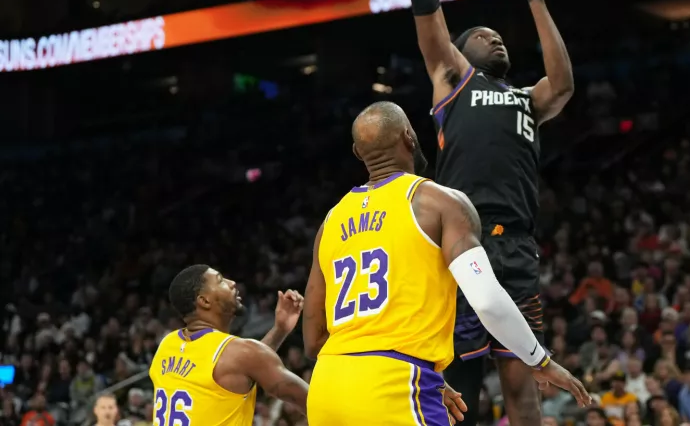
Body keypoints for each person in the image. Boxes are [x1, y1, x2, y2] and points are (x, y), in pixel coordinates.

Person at [389, 0, 575, 423]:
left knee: (523, 386)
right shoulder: (452, 80)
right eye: (479, 36)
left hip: (516, 248)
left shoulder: (526, 99)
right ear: (459, 51)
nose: (493, 36)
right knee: (460, 385)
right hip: (459, 244)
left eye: (497, 35)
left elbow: (562, 83)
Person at [302, 102, 589, 425]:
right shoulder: (438, 202)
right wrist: (540, 361)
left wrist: (426, 375)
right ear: (409, 137)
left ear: (358, 152)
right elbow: (486, 300)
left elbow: (313, 340)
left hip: (327, 389)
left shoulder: (331, 221)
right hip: (395, 385)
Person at [149, 267, 309, 426]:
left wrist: (279, 330)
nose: (232, 283)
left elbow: (245, 364)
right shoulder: (237, 354)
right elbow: (313, 401)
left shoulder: (167, 344)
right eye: (220, 280)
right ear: (204, 301)